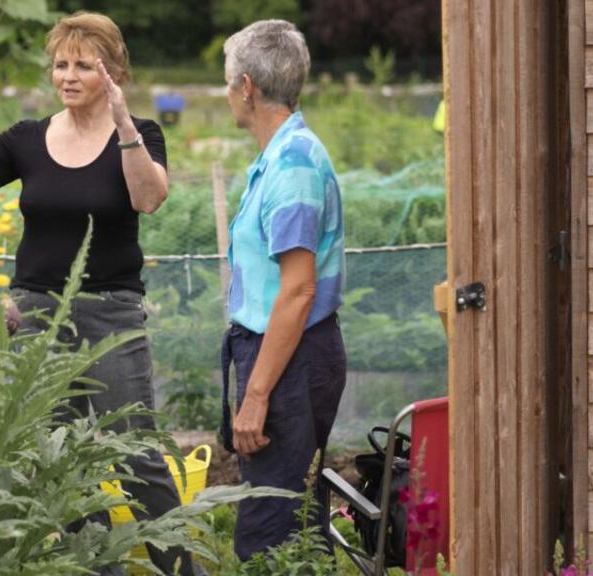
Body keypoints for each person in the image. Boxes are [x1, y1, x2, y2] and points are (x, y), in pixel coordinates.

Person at [0, 11, 198, 576]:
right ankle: (98, 569)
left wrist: (123, 126)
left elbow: (149, 199)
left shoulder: (142, 133)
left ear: (113, 71)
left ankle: (182, 571)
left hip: (111, 316)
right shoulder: (27, 139)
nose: (67, 76)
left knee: (136, 455)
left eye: (82, 66)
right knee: (55, 460)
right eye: (60, 64)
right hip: (35, 316)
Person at [218, 19, 348, 561]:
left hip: (288, 359)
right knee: (293, 520)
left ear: (246, 87)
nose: (227, 93)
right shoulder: (281, 155)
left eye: (227, 83)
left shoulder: (292, 166)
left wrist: (256, 396)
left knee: (270, 532)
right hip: (285, 355)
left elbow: (297, 292)